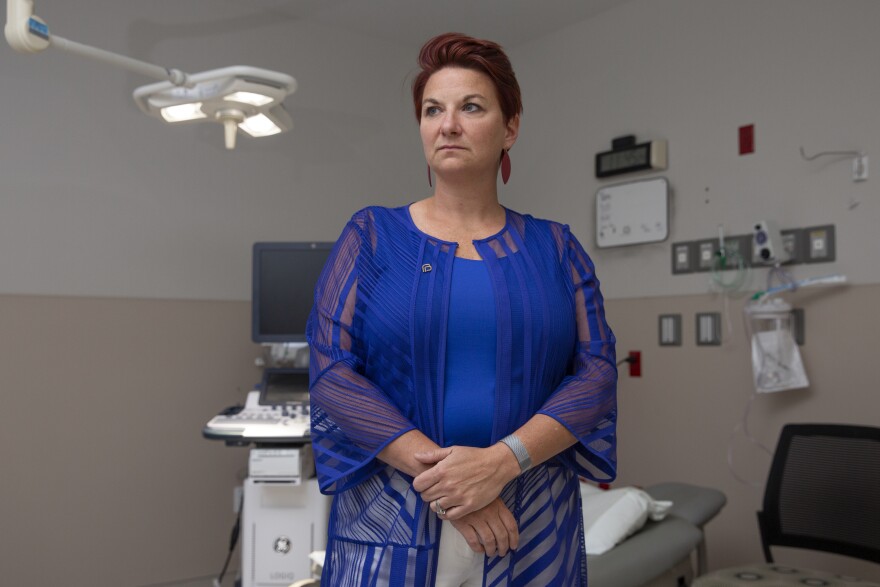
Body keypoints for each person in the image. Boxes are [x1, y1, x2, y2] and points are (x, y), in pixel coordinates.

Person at [307, 32, 617, 586]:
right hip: (393, 515)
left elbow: (595, 375)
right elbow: (332, 370)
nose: (447, 125)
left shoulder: (557, 248)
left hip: (531, 519)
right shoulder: (373, 236)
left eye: (471, 107)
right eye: (433, 110)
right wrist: (452, 488)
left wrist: (500, 465)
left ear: (510, 127)